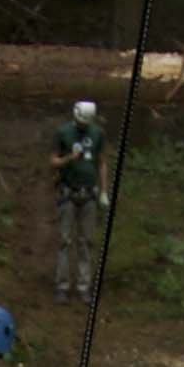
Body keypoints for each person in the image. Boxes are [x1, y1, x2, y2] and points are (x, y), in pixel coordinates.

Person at [51, 100, 106, 300]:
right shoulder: (63, 132)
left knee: (86, 241)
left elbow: (101, 163)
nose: (83, 126)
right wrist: (68, 159)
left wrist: (103, 191)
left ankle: (84, 286)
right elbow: (53, 161)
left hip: (89, 193)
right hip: (68, 192)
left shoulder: (97, 133)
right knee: (64, 240)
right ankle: (62, 285)